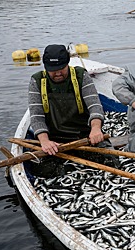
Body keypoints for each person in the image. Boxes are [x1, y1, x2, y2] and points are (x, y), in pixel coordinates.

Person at [28, 44, 118, 177]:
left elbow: (95, 106)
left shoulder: (80, 76)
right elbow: (36, 117)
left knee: (111, 162)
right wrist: (44, 141)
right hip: (56, 142)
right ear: (45, 67)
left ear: (67, 63)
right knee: (43, 170)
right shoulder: (37, 81)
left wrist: (96, 129)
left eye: (61, 68)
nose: (58, 73)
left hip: (85, 137)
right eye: (53, 70)